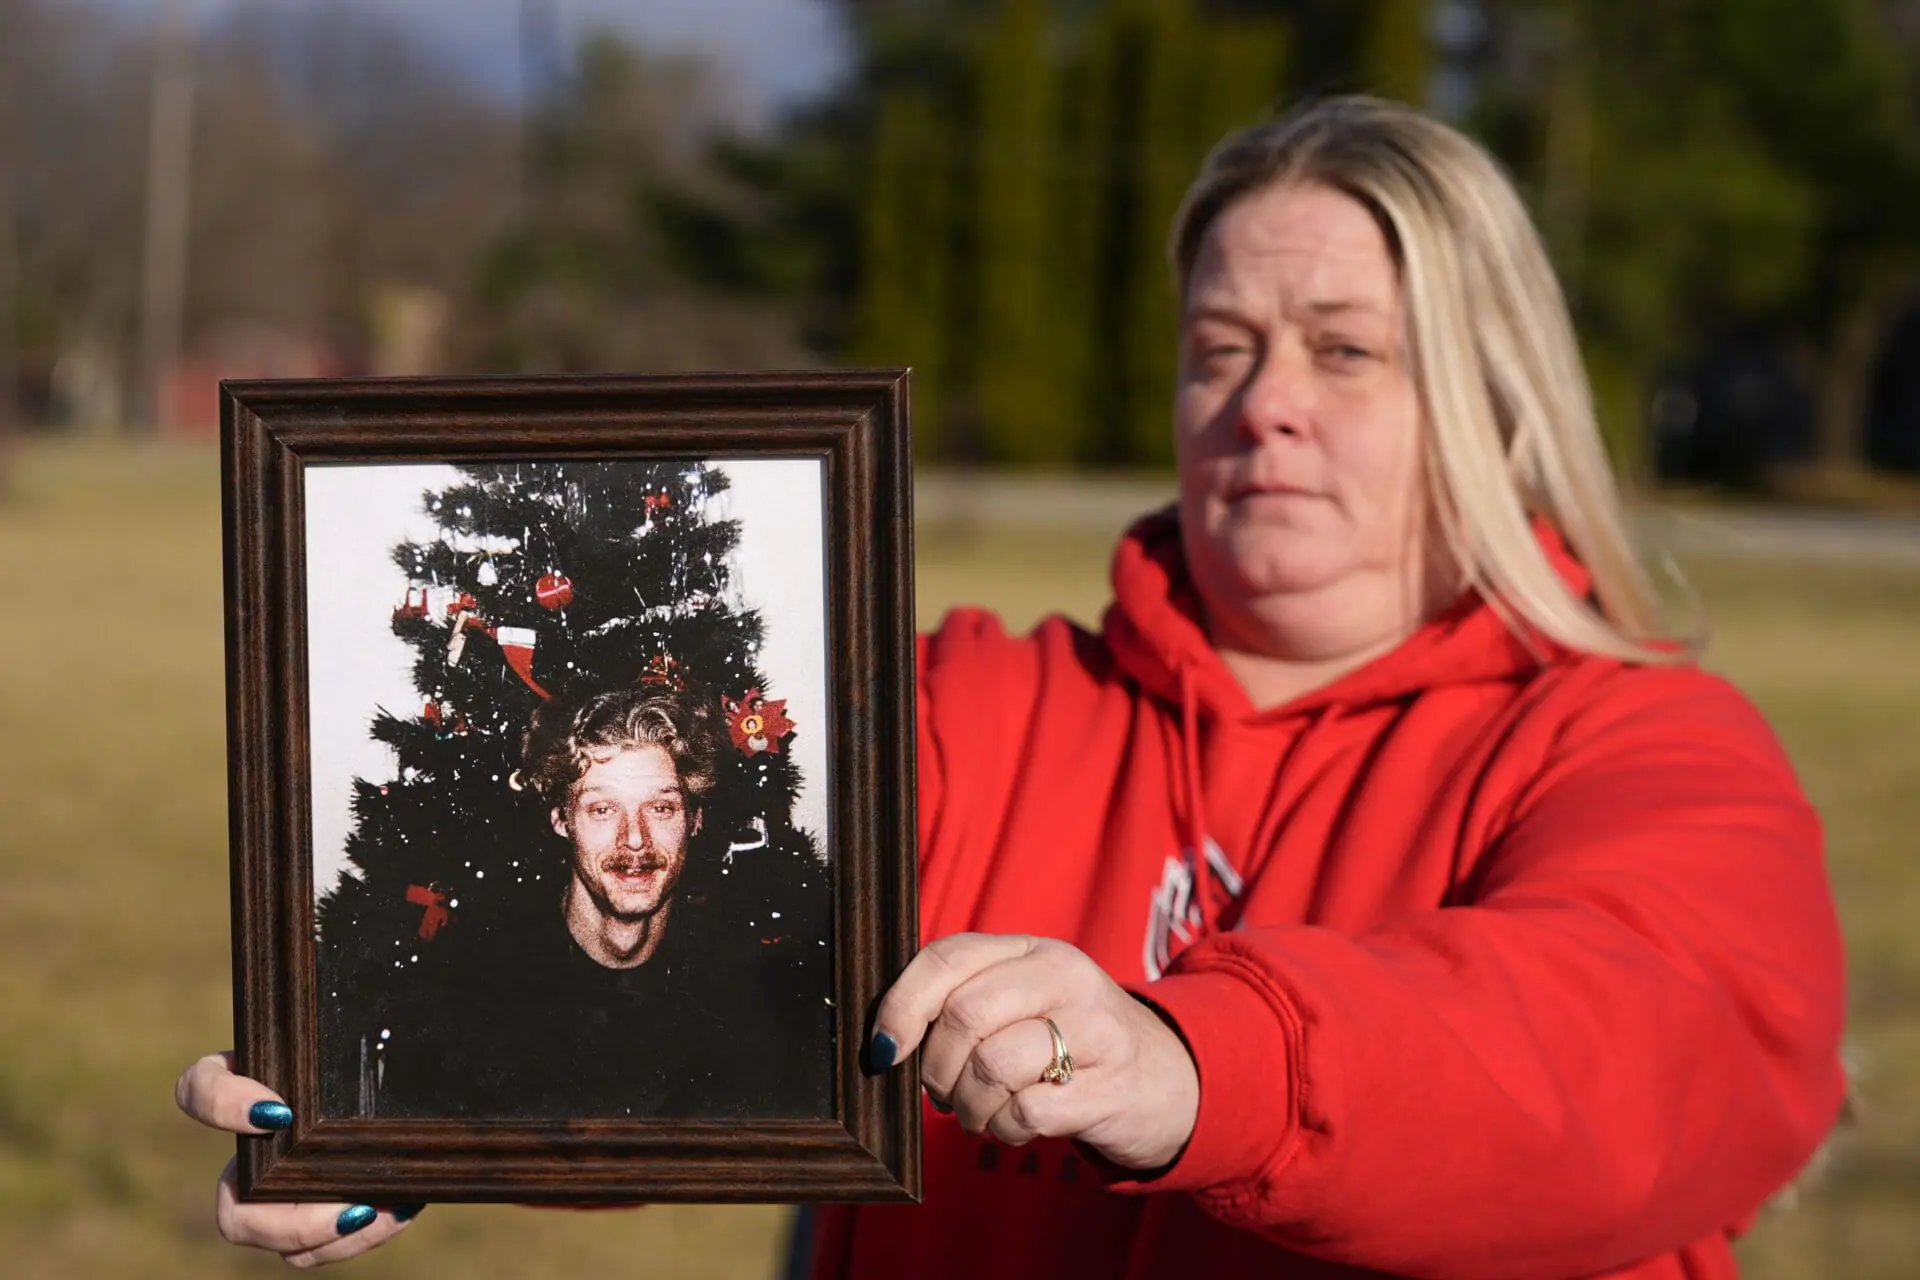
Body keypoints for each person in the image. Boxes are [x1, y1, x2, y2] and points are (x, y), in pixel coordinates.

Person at [175, 95, 1847, 1276]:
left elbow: (1632, 1053)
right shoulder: (970, 711)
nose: (1262, 403)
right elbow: (695, 984)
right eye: (1220, 347)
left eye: (1344, 348)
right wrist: (409, 1085)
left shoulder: (1640, 742)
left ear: (1496, 400)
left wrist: (1198, 1067)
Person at [331, 682, 831, 1121]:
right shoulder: (465, 998)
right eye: (601, 809)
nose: (633, 841)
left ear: (694, 820)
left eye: (660, 808)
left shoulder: (754, 1005)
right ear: (561, 820)